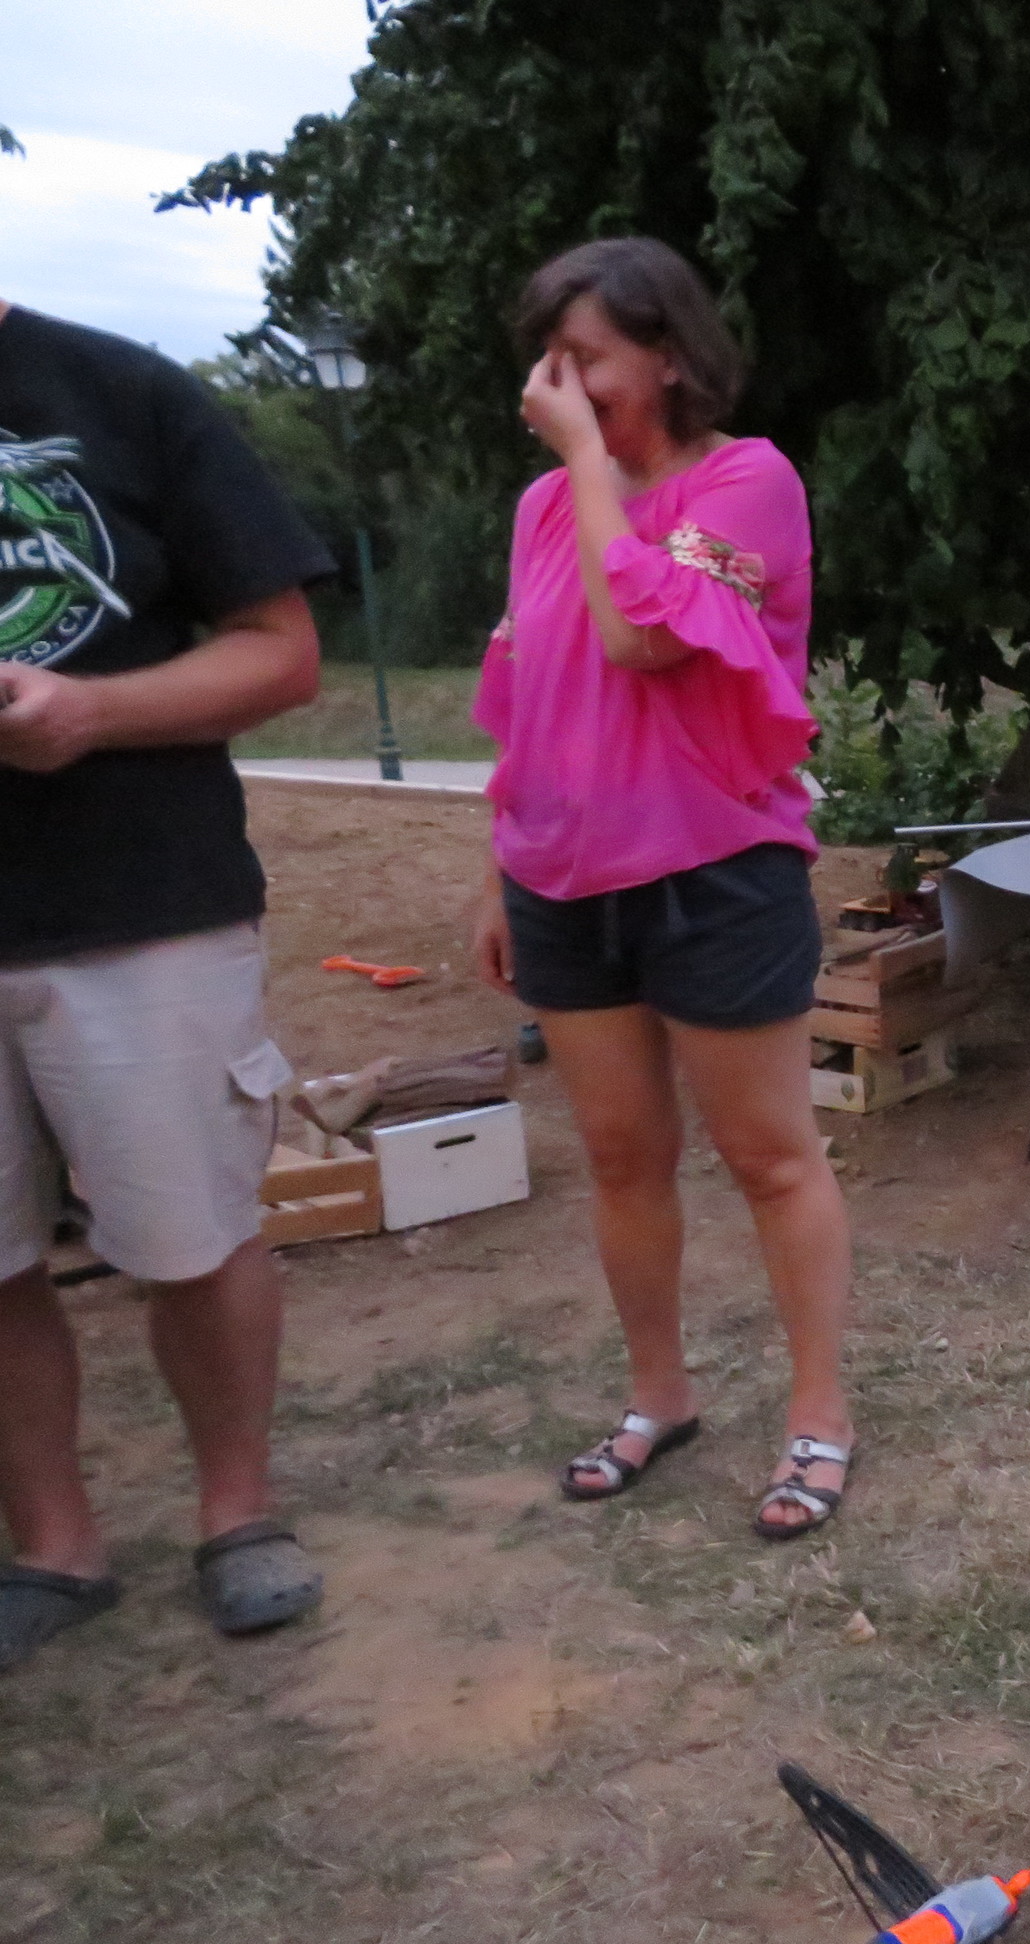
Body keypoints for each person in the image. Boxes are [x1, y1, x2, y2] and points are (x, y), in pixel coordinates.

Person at [466, 237, 855, 1539]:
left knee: (769, 1157)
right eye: (547, 361)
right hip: (561, 881)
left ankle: (819, 1416)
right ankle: (659, 1397)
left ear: (671, 358)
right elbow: (527, 694)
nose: (556, 386)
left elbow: (639, 637)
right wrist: (496, 870)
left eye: (584, 359)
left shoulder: (748, 482)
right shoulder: (541, 508)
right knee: (623, 1157)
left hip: (716, 874)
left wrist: (586, 461)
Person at [0, 297, 334, 1671]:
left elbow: (282, 647)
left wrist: (91, 710)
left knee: (193, 1237)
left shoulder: (119, 392)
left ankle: (236, 1512)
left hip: (140, 906)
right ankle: (52, 1545)